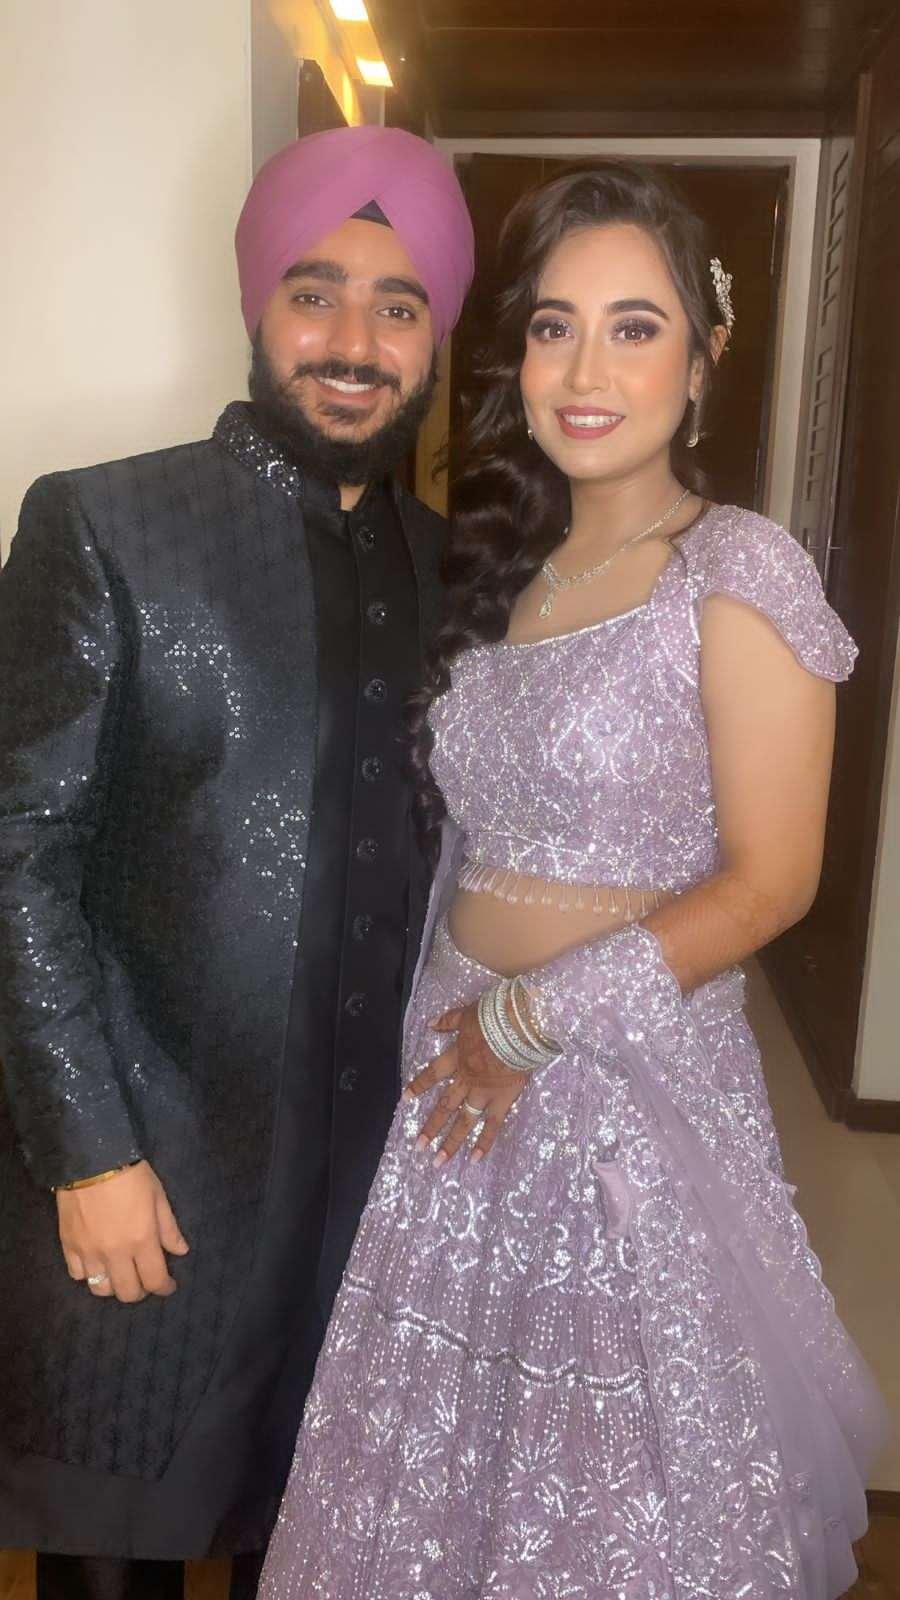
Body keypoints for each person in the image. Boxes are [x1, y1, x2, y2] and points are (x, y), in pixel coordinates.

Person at [260, 161, 890, 1599]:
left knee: (605, 1495)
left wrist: (529, 1022)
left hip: (621, 1094)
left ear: (703, 362)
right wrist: (441, 1026)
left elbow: (774, 881)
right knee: (438, 1473)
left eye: (634, 328)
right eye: (554, 328)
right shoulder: (504, 570)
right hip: (451, 1085)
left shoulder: (736, 569)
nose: (587, 371)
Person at [0, 125, 473, 1599]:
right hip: (150, 1183)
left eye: (400, 307)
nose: (354, 343)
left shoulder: (458, 572)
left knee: (320, 1554)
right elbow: (16, 849)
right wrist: (86, 1150)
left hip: (368, 1204)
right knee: (116, 1554)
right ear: (258, 300)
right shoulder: (109, 523)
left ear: (437, 336)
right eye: (315, 293)